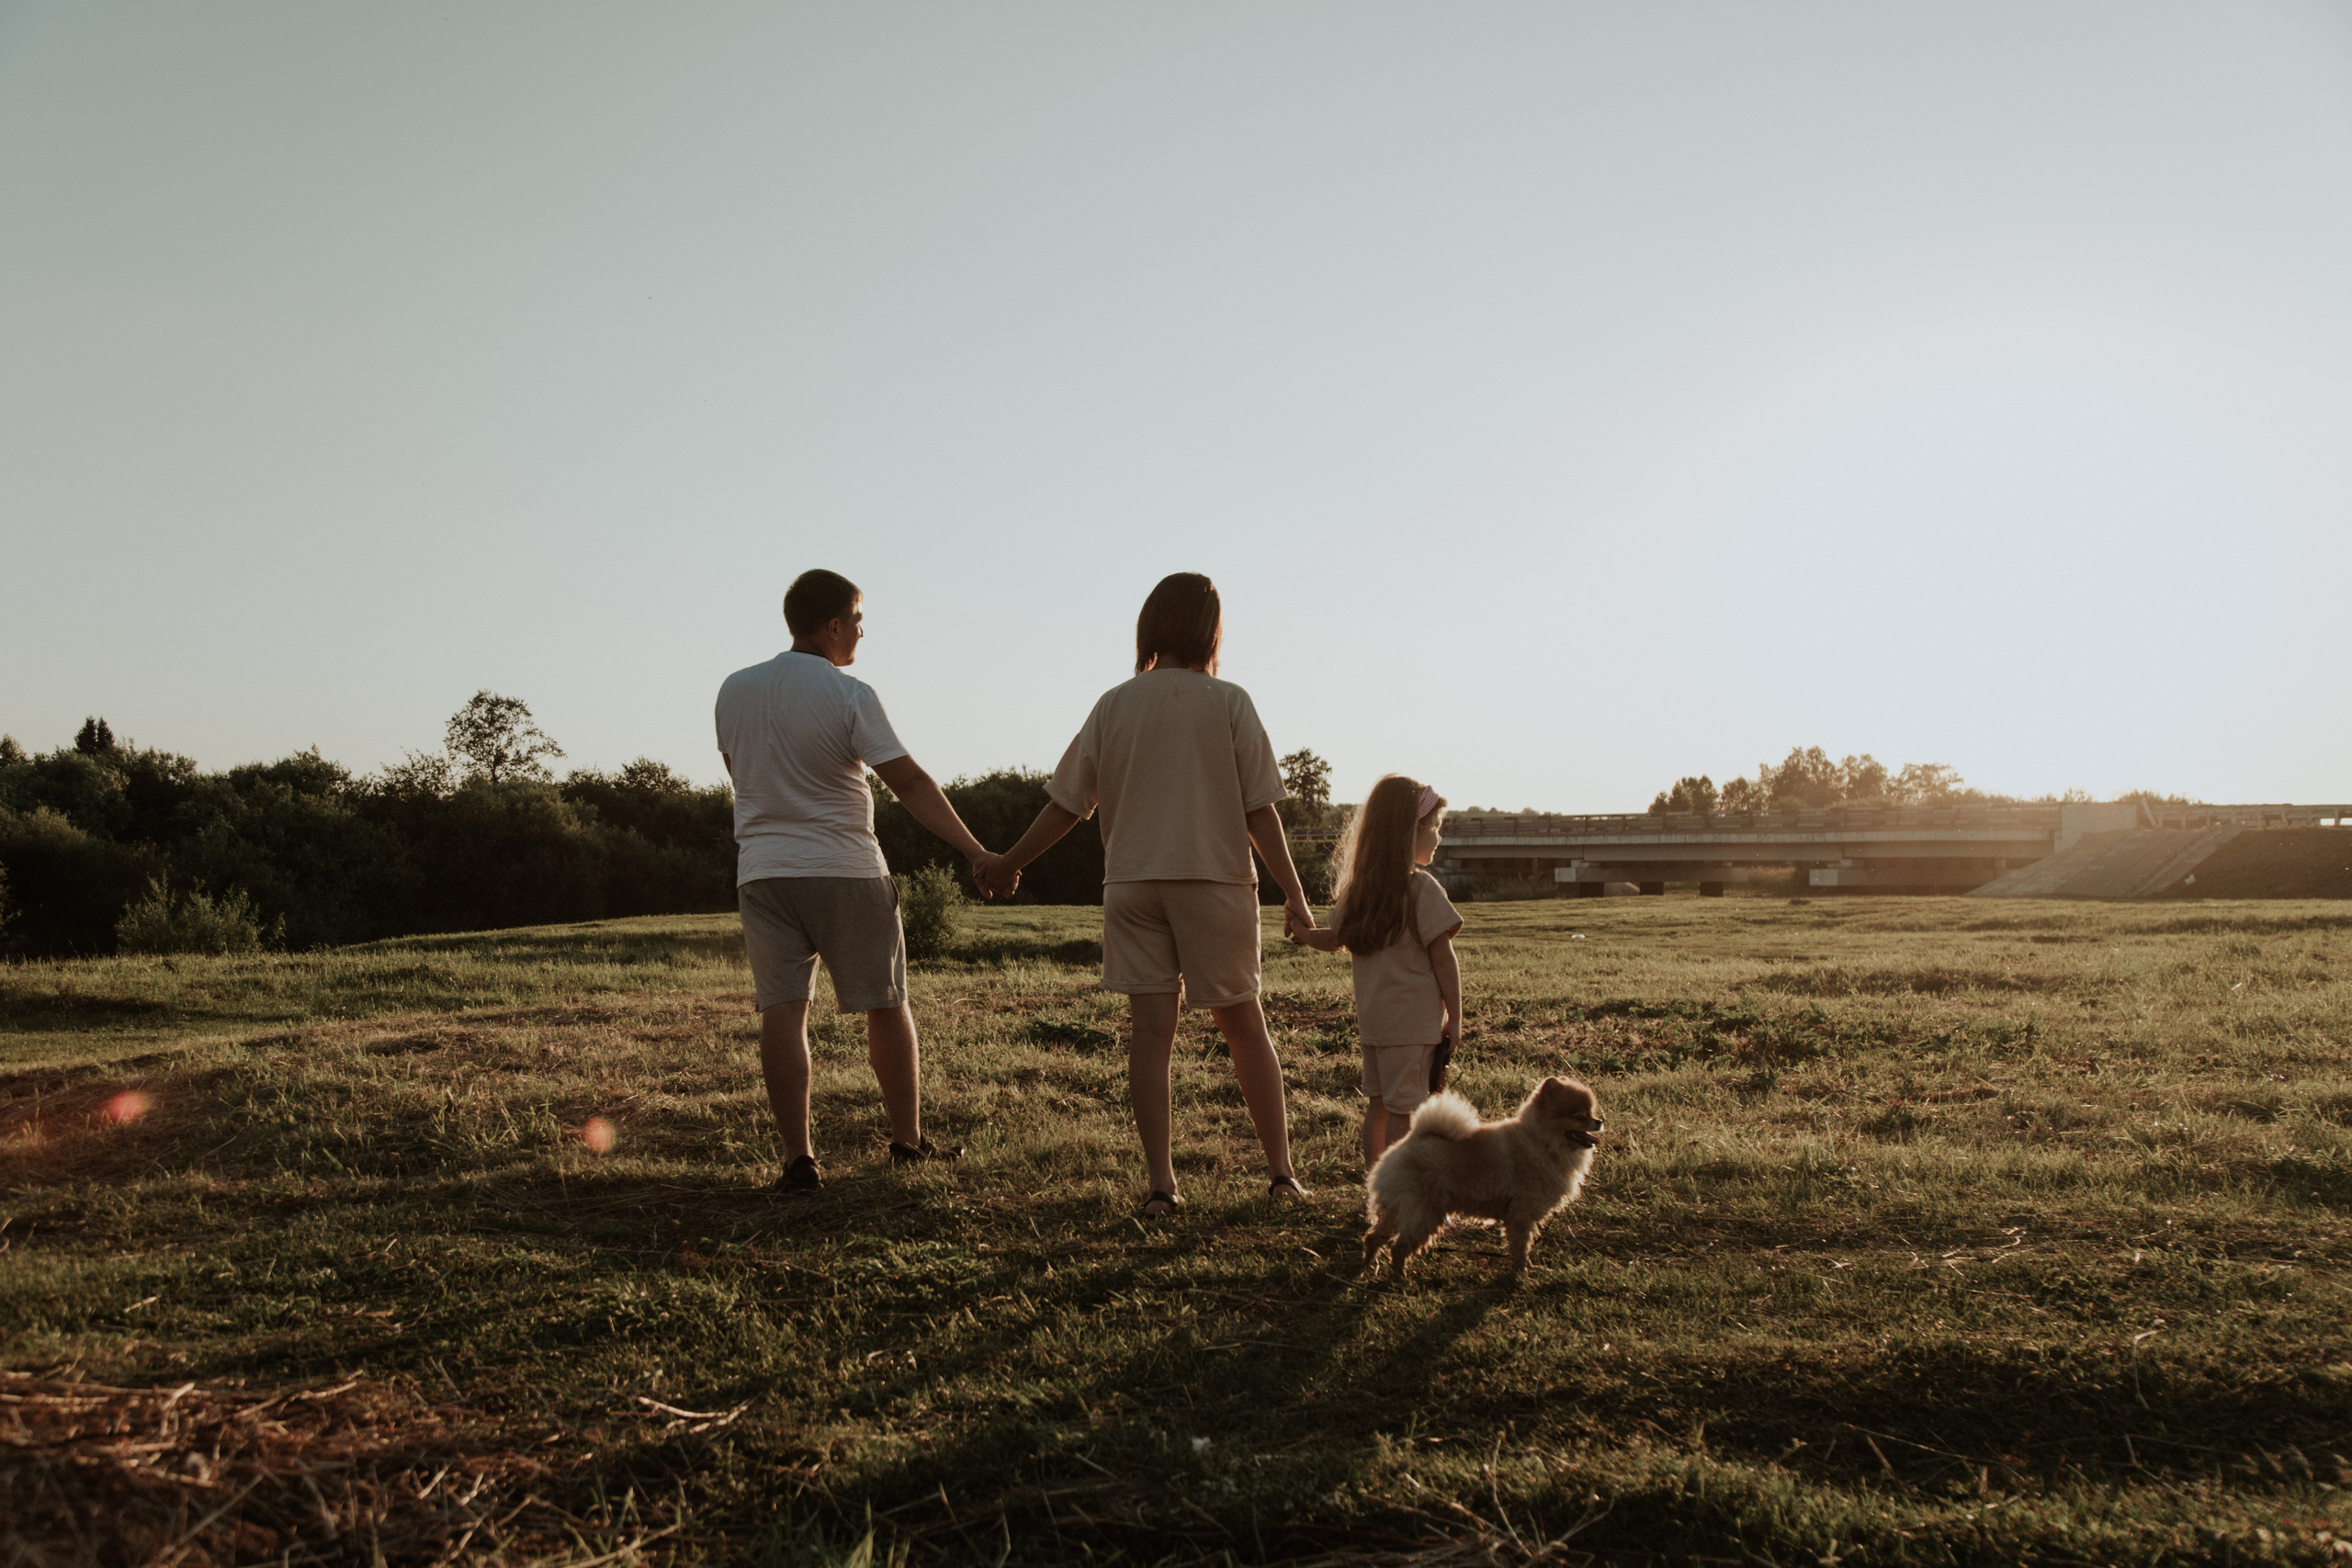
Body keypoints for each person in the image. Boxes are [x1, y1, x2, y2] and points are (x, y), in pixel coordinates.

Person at [978, 572, 1315, 1217]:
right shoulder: (1230, 702)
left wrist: (1006, 862)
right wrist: (1295, 893)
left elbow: (1065, 806)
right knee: (1245, 1026)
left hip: (1132, 884)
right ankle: (1281, 1174)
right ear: (1211, 631)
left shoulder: (1114, 704)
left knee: (1150, 1033)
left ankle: (1162, 1186)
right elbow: (1261, 812)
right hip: (1212, 880)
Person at [715, 569, 1000, 1193]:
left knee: (782, 1012)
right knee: (887, 1004)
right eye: (859, 620)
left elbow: (741, 775)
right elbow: (911, 783)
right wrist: (976, 850)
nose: (862, 634)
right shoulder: (849, 693)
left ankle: (799, 1159)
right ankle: (907, 1141)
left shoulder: (733, 689)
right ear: (835, 624)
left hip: (762, 873)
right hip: (844, 867)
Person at [1288, 775, 1464, 1170]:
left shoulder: (1360, 891)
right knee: (1408, 1113)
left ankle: (1376, 1192)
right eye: (1433, 828)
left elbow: (1332, 938)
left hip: (1376, 1026)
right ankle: (1404, 1196)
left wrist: (1301, 932)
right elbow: (1444, 959)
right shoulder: (1422, 890)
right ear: (1409, 832)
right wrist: (1455, 1015)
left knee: (1380, 1108)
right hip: (1413, 1025)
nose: (1437, 839)